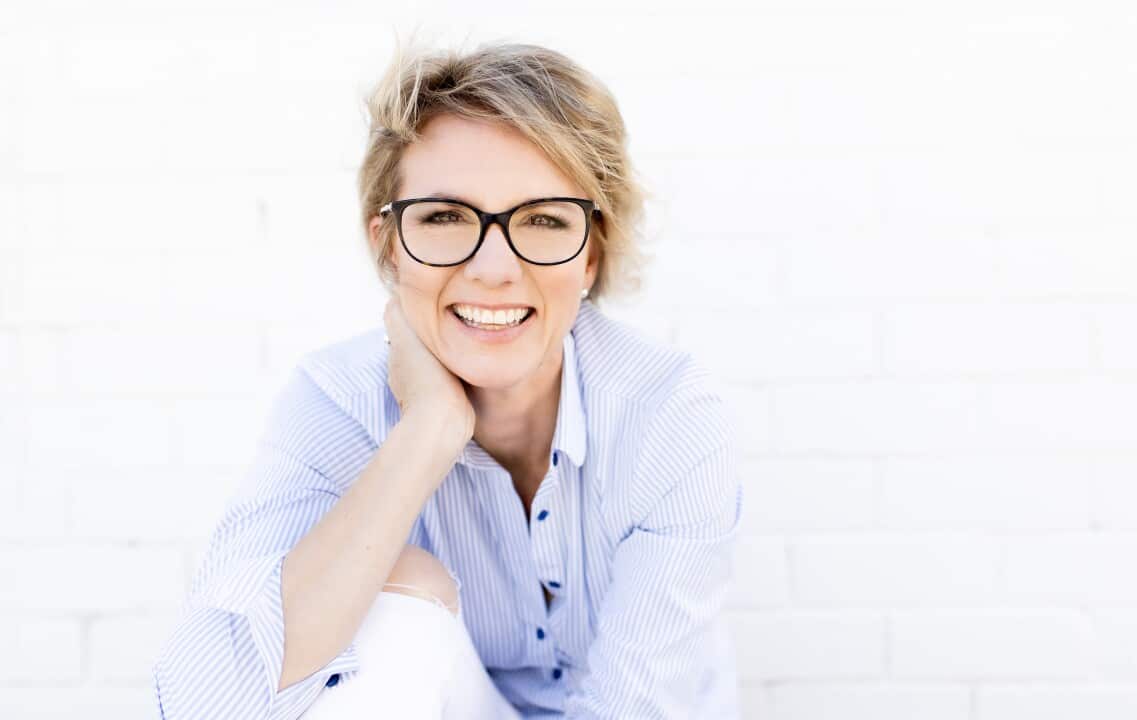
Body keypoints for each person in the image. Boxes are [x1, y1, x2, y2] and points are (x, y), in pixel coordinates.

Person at [151, 40, 744, 719]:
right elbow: (208, 704)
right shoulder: (336, 400)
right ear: (388, 245)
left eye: (544, 219)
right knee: (395, 598)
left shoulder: (670, 416)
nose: (494, 267)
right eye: (445, 217)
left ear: (592, 255)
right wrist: (428, 430)